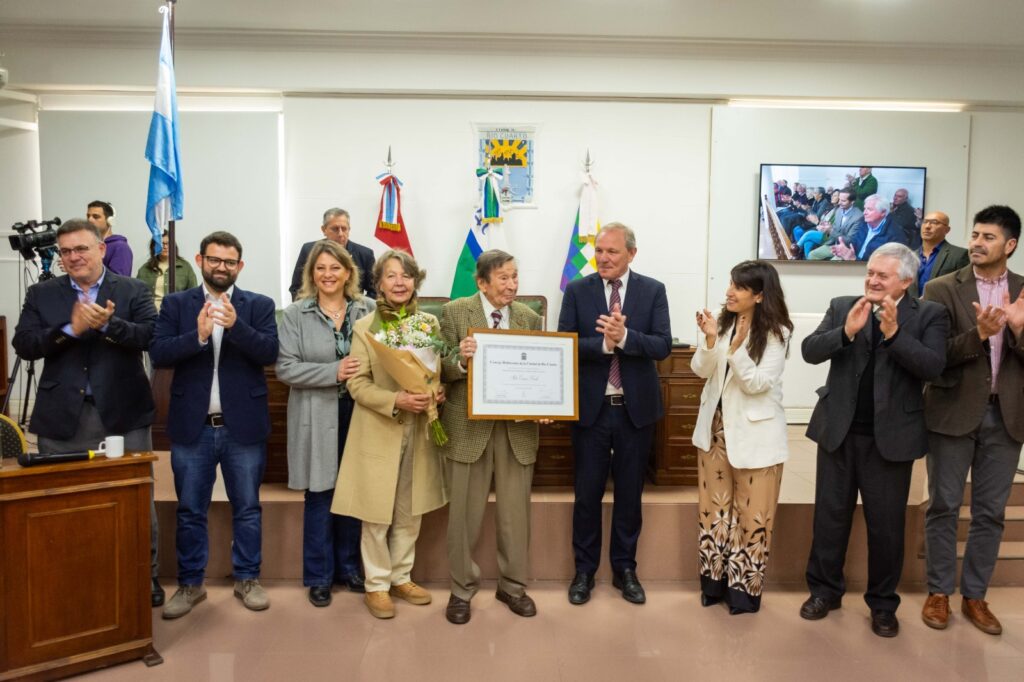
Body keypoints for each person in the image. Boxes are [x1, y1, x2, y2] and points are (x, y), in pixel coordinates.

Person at [799, 243, 948, 638]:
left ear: (906, 280)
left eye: (882, 275)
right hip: (838, 432)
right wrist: (845, 332)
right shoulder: (843, 304)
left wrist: (895, 335)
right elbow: (809, 351)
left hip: (892, 440)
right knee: (829, 519)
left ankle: (883, 605)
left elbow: (933, 367)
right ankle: (824, 592)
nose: (872, 280)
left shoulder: (930, 314)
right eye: (870, 273)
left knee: (886, 528)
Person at [12, 218, 163, 607]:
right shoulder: (41, 293)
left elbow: (150, 336)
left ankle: (144, 578)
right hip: (63, 418)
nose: (73, 257)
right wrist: (70, 328)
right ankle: (69, 581)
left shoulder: (132, 288)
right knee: (60, 504)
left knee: (135, 504)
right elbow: (25, 344)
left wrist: (109, 324)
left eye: (81, 248)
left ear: (101, 249)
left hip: (123, 414)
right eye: (66, 252)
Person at [150, 231, 279, 619]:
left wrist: (236, 327)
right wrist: (199, 335)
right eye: (214, 259)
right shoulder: (176, 304)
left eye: (229, 261)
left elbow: (269, 353)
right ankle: (190, 585)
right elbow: (159, 354)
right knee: (190, 509)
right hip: (194, 427)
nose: (221, 267)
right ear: (200, 259)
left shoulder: (258, 305)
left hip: (243, 427)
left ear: (240, 266)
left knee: (248, 508)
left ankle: (248, 579)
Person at [921, 205, 1024, 635]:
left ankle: (975, 596)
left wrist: (1018, 330)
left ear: (1010, 245)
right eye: (975, 235)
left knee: (990, 512)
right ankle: (939, 592)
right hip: (952, 412)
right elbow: (931, 357)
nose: (977, 243)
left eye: (988, 237)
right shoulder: (942, 288)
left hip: (1008, 416)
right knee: (944, 505)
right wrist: (978, 335)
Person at [557, 222, 672, 606]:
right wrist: (604, 346)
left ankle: (625, 569)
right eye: (599, 251)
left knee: (629, 495)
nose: (603, 258)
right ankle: (584, 571)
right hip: (591, 411)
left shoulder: (653, 290)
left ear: (631, 254)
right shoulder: (577, 291)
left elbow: (661, 346)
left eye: (612, 252)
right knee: (586, 495)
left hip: (634, 412)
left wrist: (625, 338)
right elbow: (566, 343)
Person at [331, 249, 447, 619]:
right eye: (392, 276)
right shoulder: (365, 328)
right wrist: (396, 399)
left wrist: (436, 393)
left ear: (416, 281)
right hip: (380, 431)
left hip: (421, 430)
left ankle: (401, 576)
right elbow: (357, 385)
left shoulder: (429, 324)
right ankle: (377, 585)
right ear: (378, 283)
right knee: (376, 514)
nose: (400, 282)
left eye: (406, 276)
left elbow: (434, 373)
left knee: (410, 513)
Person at [439, 249, 544, 625]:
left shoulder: (530, 318)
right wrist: (461, 360)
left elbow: (541, 372)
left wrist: (548, 403)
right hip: (468, 428)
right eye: (504, 277)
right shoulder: (455, 312)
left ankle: (513, 587)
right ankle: (461, 589)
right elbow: (441, 368)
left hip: (517, 429)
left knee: (515, 514)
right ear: (482, 282)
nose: (512, 284)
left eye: (515, 276)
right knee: (464, 515)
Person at [276, 241, 374, 607]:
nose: (328, 274)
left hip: (361, 413)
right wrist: (333, 371)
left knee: (352, 492)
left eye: (335, 268)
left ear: (348, 272)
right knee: (320, 494)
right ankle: (319, 576)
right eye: (321, 268)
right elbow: (285, 368)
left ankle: (349, 569)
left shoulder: (368, 310)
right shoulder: (295, 314)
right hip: (316, 414)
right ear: (311, 274)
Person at [692, 260, 792, 614]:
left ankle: (742, 594)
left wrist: (735, 351)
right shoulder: (722, 323)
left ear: (760, 295)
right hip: (715, 432)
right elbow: (700, 370)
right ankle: (713, 584)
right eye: (730, 284)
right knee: (714, 513)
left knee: (752, 517)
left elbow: (757, 384)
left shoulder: (778, 332)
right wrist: (709, 339)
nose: (729, 292)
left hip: (755, 435)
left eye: (738, 287)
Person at [288, 208, 376, 300]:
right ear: (324, 230)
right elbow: (296, 288)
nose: (340, 234)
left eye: (344, 229)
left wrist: (359, 308)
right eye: (335, 229)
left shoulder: (365, 254)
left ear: (349, 229)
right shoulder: (309, 250)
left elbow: (375, 291)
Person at [135, 230, 198, 311]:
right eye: (161, 243)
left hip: (176, 315)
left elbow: (194, 295)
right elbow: (137, 295)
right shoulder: (145, 269)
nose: (165, 246)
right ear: (154, 246)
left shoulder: (185, 267)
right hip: (151, 315)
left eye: (168, 243)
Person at [832, 193, 906, 261]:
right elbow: (854, 243)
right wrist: (844, 250)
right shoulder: (863, 222)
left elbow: (885, 267)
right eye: (865, 208)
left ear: (883, 212)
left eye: (869, 209)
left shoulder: (895, 236)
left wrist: (854, 259)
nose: (864, 212)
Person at [911, 211, 969, 297]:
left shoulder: (959, 255)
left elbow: (963, 290)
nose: (927, 226)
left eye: (934, 222)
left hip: (942, 308)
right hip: (912, 308)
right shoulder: (910, 256)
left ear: (947, 230)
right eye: (925, 222)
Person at [807, 189, 863, 261]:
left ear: (852, 202)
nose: (839, 203)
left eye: (843, 201)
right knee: (812, 255)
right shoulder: (839, 210)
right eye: (839, 199)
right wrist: (827, 227)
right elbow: (835, 229)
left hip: (846, 250)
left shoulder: (858, 217)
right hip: (834, 244)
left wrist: (830, 230)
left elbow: (849, 241)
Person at [86, 200, 133, 276]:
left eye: (96, 217)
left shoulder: (120, 247)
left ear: (109, 221)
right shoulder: (89, 246)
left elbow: (119, 282)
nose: (90, 220)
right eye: (88, 216)